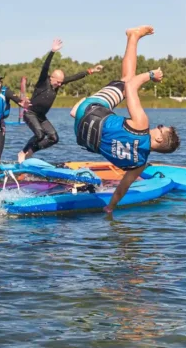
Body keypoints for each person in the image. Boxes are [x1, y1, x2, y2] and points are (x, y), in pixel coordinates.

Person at [70, 26, 180, 214]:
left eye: (161, 128)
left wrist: (151, 75)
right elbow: (123, 187)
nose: (157, 126)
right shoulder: (139, 163)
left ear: (160, 139)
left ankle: (133, 36)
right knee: (113, 114)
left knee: (126, 79)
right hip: (80, 132)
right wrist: (110, 207)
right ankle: (76, 112)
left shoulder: (141, 125)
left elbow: (131, 85)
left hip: (90, 110)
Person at [17, 38, 103, 163]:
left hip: (41, 116)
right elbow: (45, 66)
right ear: (51, 78)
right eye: (57, 82)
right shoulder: (43, 81)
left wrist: (90, 71)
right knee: (40, 135)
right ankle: (23, 153)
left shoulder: (58, 84)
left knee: (54, 138)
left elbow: (74, 77)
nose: (59, 84)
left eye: (61, 82)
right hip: (30, 113)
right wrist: (52, 51)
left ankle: (30, 152)